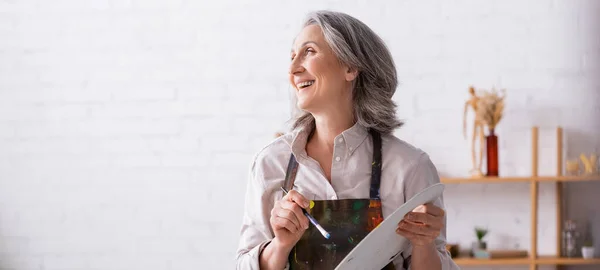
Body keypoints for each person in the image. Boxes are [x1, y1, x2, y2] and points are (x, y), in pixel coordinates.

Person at [236, 10, 459, 270]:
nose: (293, 68)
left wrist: (424, 244)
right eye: (292, 56)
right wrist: (280, 245)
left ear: (350, 67)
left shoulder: (410, 167)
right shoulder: (271, 162)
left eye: (309, 51)